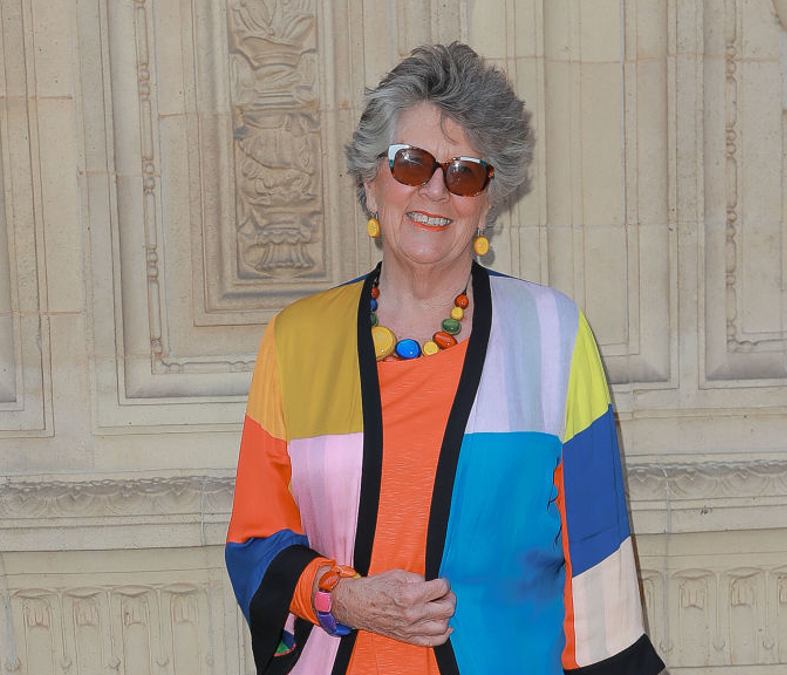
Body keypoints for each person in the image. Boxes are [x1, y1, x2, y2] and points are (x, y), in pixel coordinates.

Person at [226, 42, 664, 675]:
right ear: (371, 183)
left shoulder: (554, 333)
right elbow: (254, 541)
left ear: (487, 201)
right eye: (411, 164)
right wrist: (344, 597)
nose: (435, 191)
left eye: (464, 174)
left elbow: (598, 562)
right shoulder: (294, 340)